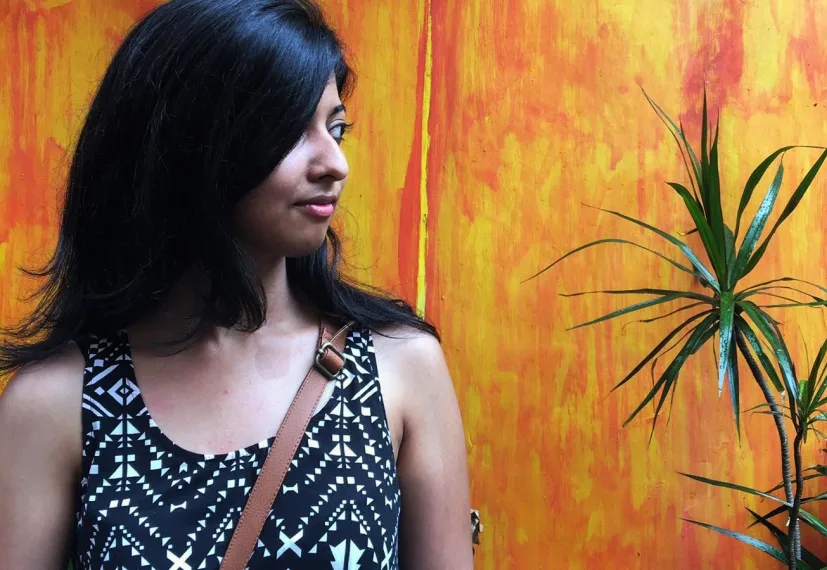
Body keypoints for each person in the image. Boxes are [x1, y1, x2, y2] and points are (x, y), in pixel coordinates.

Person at [0, 0, 473, 568]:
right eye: (290, 131)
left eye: (336, 128)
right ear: (188, 145)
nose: (334, 163)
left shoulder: (401, 369)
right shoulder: (55, 404)